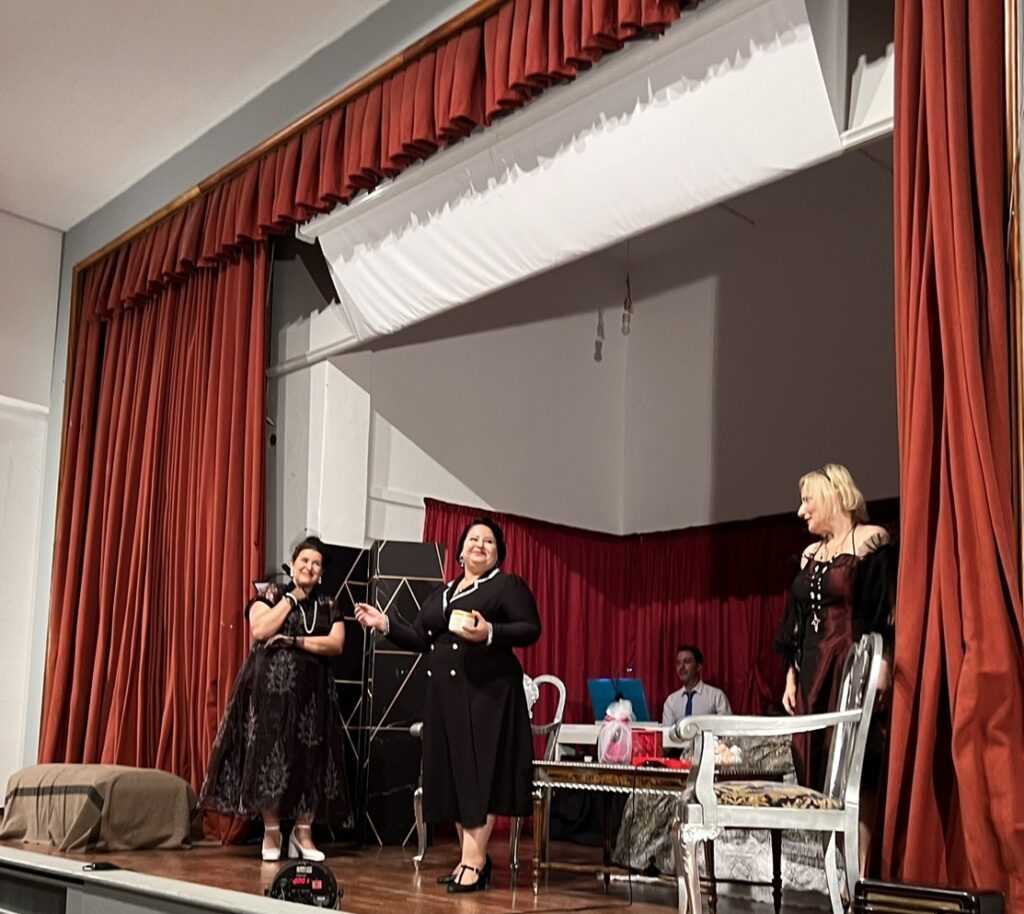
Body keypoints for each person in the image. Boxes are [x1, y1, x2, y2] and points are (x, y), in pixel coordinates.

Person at [354, 517, 541, 893]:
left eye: (489, 541)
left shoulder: (506, 586)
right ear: (460, 552)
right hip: (445, 698)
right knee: (456, 778)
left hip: (487, 696)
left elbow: (530, 628)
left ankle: (474, 862)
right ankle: (471, 860)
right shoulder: (442, 593)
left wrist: (489, 631)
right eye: (473, 539)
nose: (480, 545)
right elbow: (420, 637)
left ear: (499, 553)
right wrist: (385, 624)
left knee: (479, 779)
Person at [200, 536, 349, 862]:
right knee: (270, 754)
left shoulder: (328, 604)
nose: (309, 567)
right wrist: (292, 599)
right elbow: (260, 629)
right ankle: (272, 831)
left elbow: (336, 643)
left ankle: (303, 833)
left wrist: (295, 641)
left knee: (311, 758)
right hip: (269, 693)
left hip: (313, 694)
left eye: (316, 563)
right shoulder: (270, 593)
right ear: (292, 565)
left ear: (322, 572)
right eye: (304, 561)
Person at [661, 644, 732, 728]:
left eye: (687, 662)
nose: (681, 667)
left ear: (698, 666)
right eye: (678, 663)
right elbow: (667, 732)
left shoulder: (716, 696)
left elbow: (727, 728)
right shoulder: (671, 701)